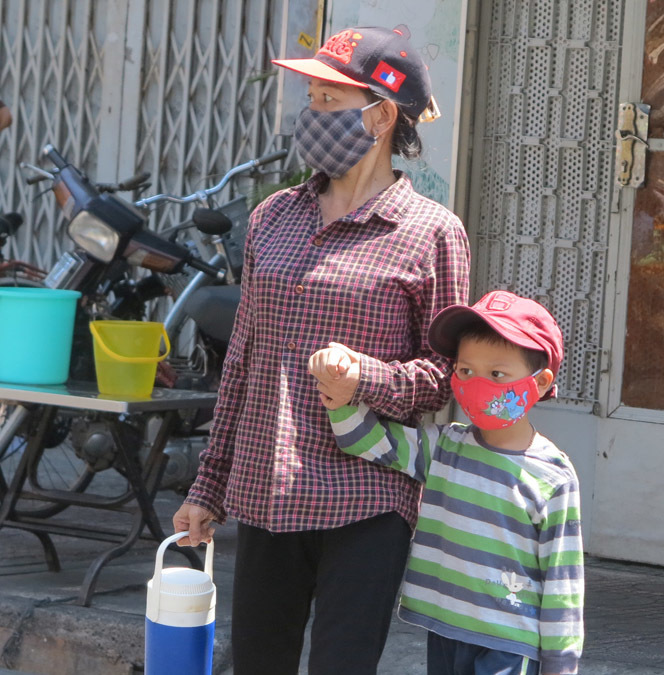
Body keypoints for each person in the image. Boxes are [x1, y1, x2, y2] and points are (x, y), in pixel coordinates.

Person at [172, 25, 470, 675]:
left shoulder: (432, 234)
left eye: (328, 100)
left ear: (382, 113)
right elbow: (244, 360)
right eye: (311, 98)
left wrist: (367, 377)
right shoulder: (273, 216)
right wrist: (209, 487)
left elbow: (446, 377)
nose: (312, 115)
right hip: (267, 487)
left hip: (367, 496)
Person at [310, 290, 584, 675]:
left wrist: (560, 666)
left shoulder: (553, 476)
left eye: (497, 374)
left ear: (539, 384)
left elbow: (563, 581)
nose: (476, 384)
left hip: (509, 644)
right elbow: (368, 441)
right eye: (465, 371)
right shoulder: (444, 446)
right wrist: (338, 393)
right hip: (445, 630)